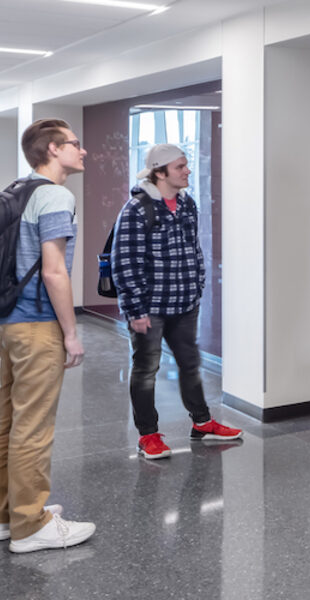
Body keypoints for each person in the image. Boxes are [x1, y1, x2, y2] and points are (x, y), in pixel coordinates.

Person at [0, 118, 95, 552]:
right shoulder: (56, 195)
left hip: (5, 324)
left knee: (6, 425)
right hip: (37, 325)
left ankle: (9, 514)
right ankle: (31, 526)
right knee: (34, 428)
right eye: (75, 144)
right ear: (53, 150)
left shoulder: (16, 189)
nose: (83, 151)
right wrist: (71, 333)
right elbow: (54, 270)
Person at [113, 143, 241, 460]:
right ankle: (148, 435)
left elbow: (194, 249)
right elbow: (124, 262)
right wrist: (134, 310)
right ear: (160, 172)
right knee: (145, 370)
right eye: (180, 167)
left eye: (186, 165)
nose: (187, 171)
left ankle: (202, 423)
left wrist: (197, 285)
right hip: (150, 308)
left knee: (190, 365)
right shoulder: (136, 209)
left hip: (185, 304)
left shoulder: (187, 204)